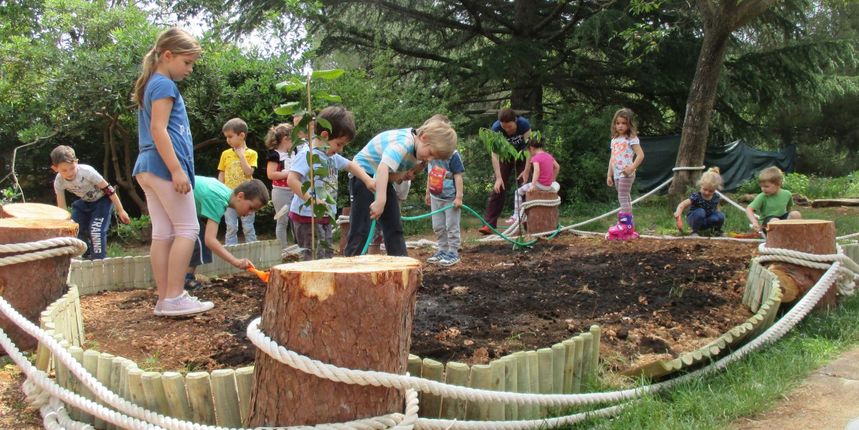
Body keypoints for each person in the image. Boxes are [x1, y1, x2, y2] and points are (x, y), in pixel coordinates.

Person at [131, 27, 209, 316]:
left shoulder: (152, 83)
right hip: (163, 167)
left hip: (148, 166)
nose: (189, 69)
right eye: (187, 62)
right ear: (167, 55)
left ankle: (165, 299)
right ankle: (175, 296)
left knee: (163, 232)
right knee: (188, 229)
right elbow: (158, 129)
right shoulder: (163, 85)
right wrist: (177, 170)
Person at [344, 118, 457, 257]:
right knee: (361, 227)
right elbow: (383, 167)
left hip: (382, 179)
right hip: (363, 175)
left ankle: (401, 265)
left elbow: (393, 173)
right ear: (424, 137)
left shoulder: (420, 151)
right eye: (431, 153)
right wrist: (380, 201)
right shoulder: (404, 142)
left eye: (435, 157)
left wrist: (406, 174)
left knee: (394, 227)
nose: (430, 159)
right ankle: (350, 266)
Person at [287, 106, 375, 260]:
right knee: (312, 257)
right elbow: (292, 180)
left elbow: (350, 165)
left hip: (325, 215)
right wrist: (311, 200)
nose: (340, 150)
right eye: (339, 144)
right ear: (325, 135)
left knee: (326, 254)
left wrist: (368, 180)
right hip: (307, 217)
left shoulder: (331, 156)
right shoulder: (308, 154)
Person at [182, 177, 269, 296]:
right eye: (251, 208)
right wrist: (236, 262)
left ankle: (186, 277)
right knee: (197, 237)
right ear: (240, 196)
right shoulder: (218, 200)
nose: (250, 213)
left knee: (199, 236)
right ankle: (184, 280)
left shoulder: (225, 193)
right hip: (174, 196)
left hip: (180, 200)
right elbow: (210, 240)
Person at [51, 145, 131, 259]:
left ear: (76, 162)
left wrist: (121, 210)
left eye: (72, 168)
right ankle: (85, 255)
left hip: (102, 201)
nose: (69, 173)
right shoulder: (58, 181)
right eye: (64, 170)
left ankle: (99, 259)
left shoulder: (87, 172)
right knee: (74, 228)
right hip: (84, 202)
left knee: (95, 230)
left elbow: (108, 189)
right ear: (55, 168)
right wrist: (64, 223)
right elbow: (62, 206)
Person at [479, 108, 532, 235]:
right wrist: (498, 177)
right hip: (505, 156)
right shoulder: (496, 128)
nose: (507, 130)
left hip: (522, 155)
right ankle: (489, 225)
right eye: (505, 127)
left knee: (525, 186)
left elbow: (530, 149)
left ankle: (528, 221)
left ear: (515, 121)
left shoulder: (524, 124)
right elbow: (495, 154)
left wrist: (526, 171)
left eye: (510, 126)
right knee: (498, 187)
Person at [605, 107, 645, 240]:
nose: (620, 126)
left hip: (626, 174)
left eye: (624, 123)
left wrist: (632, 167)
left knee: (622, 197)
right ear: (614, 124)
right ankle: (629, 227)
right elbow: (612, 158)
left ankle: (624, 225)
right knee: (625, 197)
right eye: (618, 123)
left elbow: (640, 155)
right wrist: (609, 175)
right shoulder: (614, 140)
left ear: (629, 124)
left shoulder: (631, 138)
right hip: (616, 174)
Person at [218, 118, 258, 245]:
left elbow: (249, 172)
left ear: (241, 135)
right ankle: (231, 254)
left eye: (230, 136)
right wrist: (220, 189)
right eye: (226, 137)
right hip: (229, 196)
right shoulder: (225, 154)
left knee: (248, 227)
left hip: (247, 197)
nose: (227, 140)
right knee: (231, 227)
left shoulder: (252, 153)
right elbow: (222, 173)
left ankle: (253, 253)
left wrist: (241, 155)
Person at [424, 140, 464, 266]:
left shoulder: (453, 155)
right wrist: (427, 192)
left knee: (451, 226)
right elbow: (430, 173)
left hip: (450, 197)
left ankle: (453, 252)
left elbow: (458, 176)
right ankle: (442, 250)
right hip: (435, 196)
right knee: (438, 226)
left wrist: (459, 197)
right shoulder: (430, 153)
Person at [506, 136, 560, 226]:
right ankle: (526, 217)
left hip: (539, 184)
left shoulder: (536, 158)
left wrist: (533, 185)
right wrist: (553, 178)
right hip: (548, 186)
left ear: (531, 148)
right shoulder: (549, 156)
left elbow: (537, 171)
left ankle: (516, 216)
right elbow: (557, 167)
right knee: (554, 186)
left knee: (518, 192)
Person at [265, 123, 297, 251]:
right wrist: (289, 174)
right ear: (286, 139)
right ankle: (282, 249)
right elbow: (271, 174)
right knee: (282, 220)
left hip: (295, 190)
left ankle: (298, 246)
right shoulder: (275, 155)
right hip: (280, 191)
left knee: (296, 220)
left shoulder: (294, 152)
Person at [745, 166, 802, 233]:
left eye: (766, 186)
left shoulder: (787, 194)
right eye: (761, 186)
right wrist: (755, 222)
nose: (763, 189)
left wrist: (789, 219)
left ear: (778, 184)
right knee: (775, 221)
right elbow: (749, 209)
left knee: (796, 214)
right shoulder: (762, 196)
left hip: (782, 219)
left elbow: (789, 209)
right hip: (767, 222)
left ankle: (791, 234)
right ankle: (777, 239)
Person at [673, 167, 726, 236]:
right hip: (694, 219)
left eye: (711, 191)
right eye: (705, 189)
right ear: (701, 185)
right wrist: (678, 214)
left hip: (706, 221)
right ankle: (695, 231)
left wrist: (719, 219)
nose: (707, 192)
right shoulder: (696, 196)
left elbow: (717, 209)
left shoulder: (716, 197)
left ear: (715, 189)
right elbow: (682, 205)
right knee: (701, 211)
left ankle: (716, 231)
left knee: (720, 215)